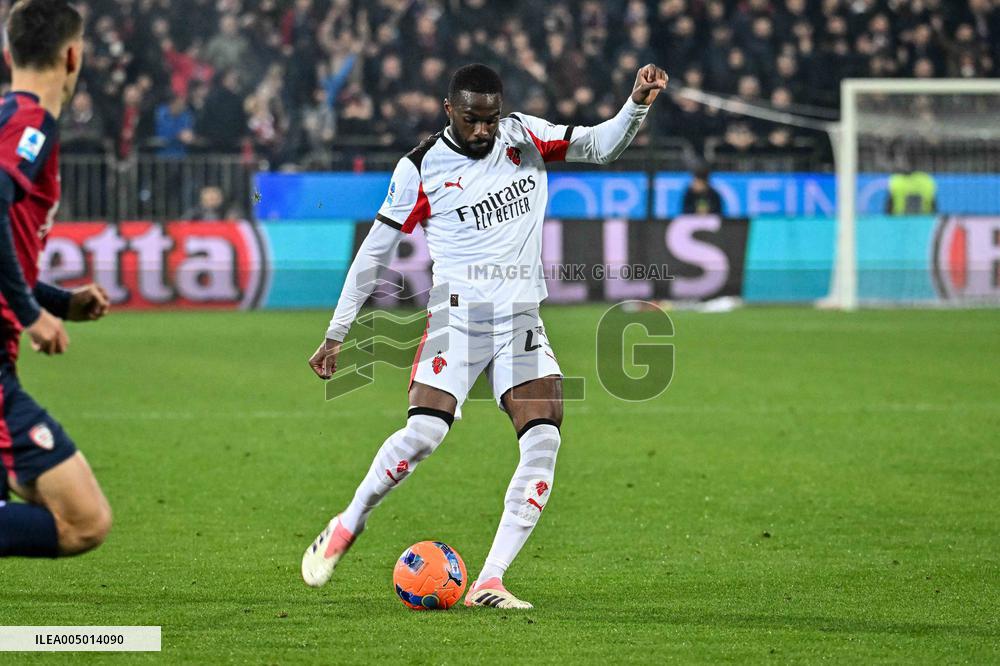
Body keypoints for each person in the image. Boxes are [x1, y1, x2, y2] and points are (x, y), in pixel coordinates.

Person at [302, 62, 668, 609]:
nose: (483, 131)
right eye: (472, 120)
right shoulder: (420, 168)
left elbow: (600, 146)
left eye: (491, 120)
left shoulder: (523, 135)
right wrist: (337, 331)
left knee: (545, 435)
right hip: (458, 317)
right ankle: (349, 522)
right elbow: (375, 250)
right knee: (426, 434)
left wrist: (636, 103)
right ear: (449, 110)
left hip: (521, 316)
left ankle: (490, 580)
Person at [0, 0, 113, 560]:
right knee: (83, 521)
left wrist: (59, 303)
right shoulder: (31, 124)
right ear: (73, 57)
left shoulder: (7, 119)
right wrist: (30, 312)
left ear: (7, 53)